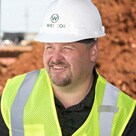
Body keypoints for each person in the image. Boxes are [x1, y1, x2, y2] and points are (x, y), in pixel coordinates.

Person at [0, 0, 136, 135]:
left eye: (67, 48)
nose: (55, 58)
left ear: (93, 53)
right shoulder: (14, 96)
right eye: (49, 47)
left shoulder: (124, 114)